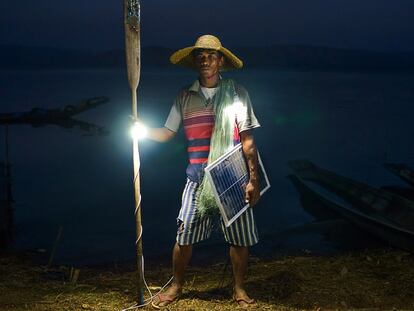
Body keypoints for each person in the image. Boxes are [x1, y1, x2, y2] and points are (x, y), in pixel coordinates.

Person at [146, 34, 261, 309]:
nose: (206, 61)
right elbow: (165, 132)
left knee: (239, 238)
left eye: (211, 56)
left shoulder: (236, 94)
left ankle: (240, 289)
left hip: (232, 178)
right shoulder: (184, 96)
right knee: (184, 236)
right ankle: (175, 286)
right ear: (195, 62)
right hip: (197, 178)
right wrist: (139, 129)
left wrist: (253, 180)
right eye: (201, 56)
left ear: (220, 61)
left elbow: (247, 140)